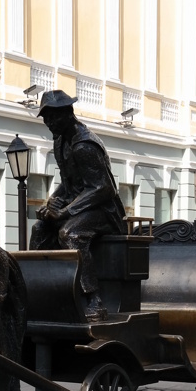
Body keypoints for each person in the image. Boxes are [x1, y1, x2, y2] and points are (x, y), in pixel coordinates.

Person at [29, 89, 126, 321]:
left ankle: (94, 299)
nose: (49, 123)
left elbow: (103, 188)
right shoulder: (61, 141)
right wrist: (52, 203)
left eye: (53, 117)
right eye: (46, 118)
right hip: (81, 206)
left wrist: (65, 211)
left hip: (104, 210)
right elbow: (68, 183)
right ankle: (37, 292)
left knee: (71, 233)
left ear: (68, 113)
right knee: (39, 230)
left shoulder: (84, 145)